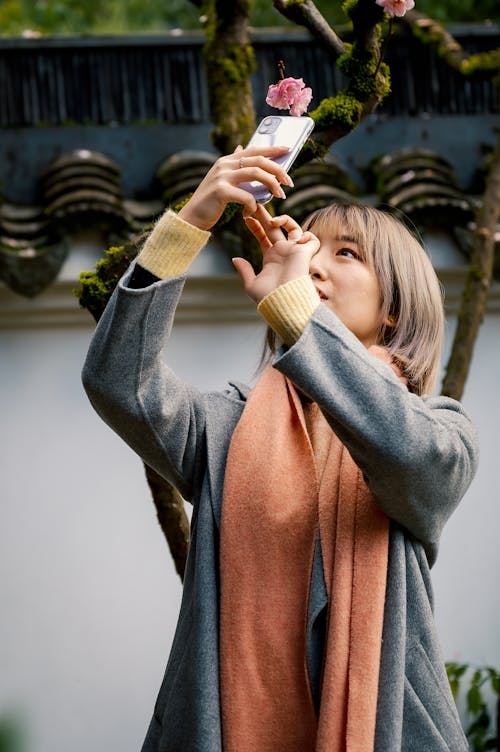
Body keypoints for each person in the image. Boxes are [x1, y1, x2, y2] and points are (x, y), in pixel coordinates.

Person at [82, 145, 479, 752]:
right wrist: (190, 223)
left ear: (395, 311)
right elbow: (119, 382)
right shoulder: (230, 427)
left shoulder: (442, 429)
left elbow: (409, 456)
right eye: (309, 250)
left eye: (346, 253)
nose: (312, 265)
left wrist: (297, 312)